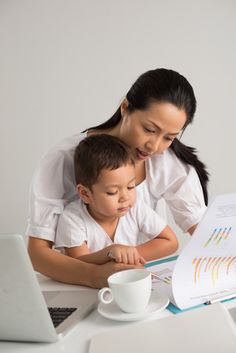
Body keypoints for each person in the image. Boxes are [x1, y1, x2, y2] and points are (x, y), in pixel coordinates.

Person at [27, 68, 209, 288]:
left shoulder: (165, 161)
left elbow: (206, 234)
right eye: (149, 129)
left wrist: (127, 259)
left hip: (135, 283)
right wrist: (97, 275)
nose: (154, 146)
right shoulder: (64, 159)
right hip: (74, 285)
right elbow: (37, 254)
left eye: (169, 138)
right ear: (125, 107)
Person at [55, 134, 178, 265]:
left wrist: (129, 254)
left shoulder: (135, 208)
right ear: (85, 194)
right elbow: (79, 264)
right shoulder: (72, 218)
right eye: (112, 192)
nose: (125, 197)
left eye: (130, 187)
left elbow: (170, 241)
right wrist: (111, 253)